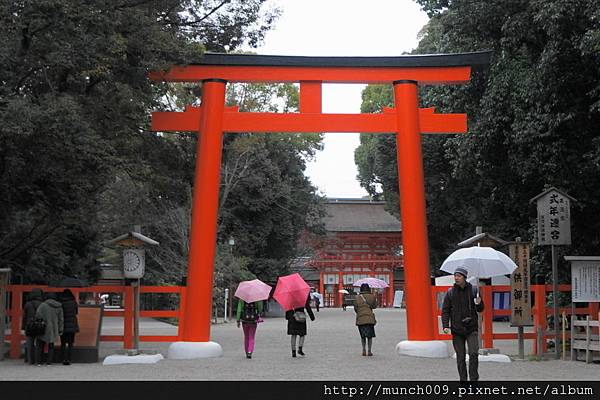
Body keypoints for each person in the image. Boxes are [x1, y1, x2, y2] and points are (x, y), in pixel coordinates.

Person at [441, 267, 485, 382]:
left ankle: (474, 380)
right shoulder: (450, 292)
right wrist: (445, 325)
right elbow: (445, 310)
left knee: (473, 353)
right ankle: (463, 381)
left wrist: (479, 303)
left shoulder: (474, 290)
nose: (456, 278)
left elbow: (480, 309)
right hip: (457, 329)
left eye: (459, 276)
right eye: (455, 275)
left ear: (465, 277)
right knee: (460, 357)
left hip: (471, 328)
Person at [35, 292, 64, 366]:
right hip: (54, 328)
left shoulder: (43, 305)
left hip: (43, 327)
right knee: (51, 345)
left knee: (40, 345)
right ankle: (49, 362)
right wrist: (60, 329)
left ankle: (39, 362)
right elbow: (61, 319)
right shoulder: (59, 306)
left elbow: (37, 315)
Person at [354, 283, 377, 356]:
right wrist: (375, 297)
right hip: (369, 318)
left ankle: (363, 349)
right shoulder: (372, 296)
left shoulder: (357, 297)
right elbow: (374, 306)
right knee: (370, 336)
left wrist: (360, 312)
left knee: (362, 336)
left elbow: (355, 308)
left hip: (361, 318)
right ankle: (369, 350)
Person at [22, 288, 44, 364]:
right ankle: (38, 360)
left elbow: (24, 317)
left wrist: (23, 327)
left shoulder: (28, 304)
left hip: (29, 326)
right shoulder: (42, 304)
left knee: (29, 344)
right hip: (39, 326)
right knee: (39, 344)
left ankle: (30, 360)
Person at [60, 289, 79, 365]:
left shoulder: (61, 303)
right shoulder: (74, 303)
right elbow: (76, 312)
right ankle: (69, 359)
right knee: (70, 343)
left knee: (63, 343)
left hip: (63, 325)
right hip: (72, 325)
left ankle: (63, 359)